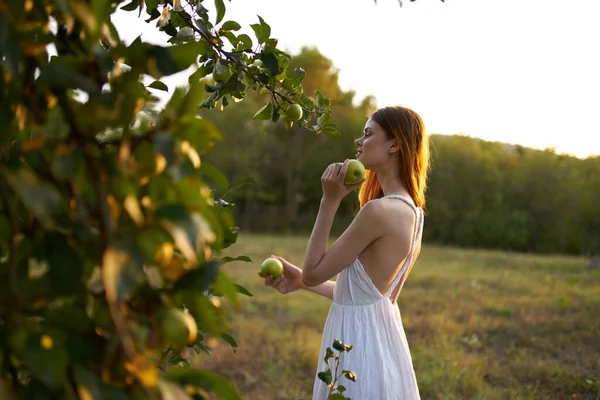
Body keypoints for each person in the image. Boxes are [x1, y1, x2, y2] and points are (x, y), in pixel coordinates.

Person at [259, 105, 430, 399]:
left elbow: (314, 272)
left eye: (367, 134)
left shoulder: (378, 211)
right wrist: (300, 280)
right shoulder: (414, 212)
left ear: (394, 144)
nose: (358, 142)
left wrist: (330, 200)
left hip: (357, 345)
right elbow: (365, 298)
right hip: (383, 345)